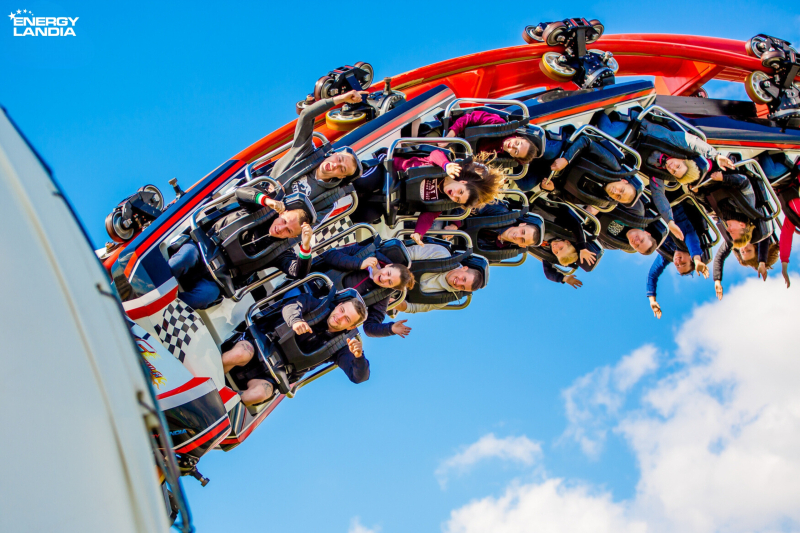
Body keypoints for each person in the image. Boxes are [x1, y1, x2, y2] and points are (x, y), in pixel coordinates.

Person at [169, 189, 314, 309]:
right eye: (284, 221)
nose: (280, 229)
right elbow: (240, 193)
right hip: (202, 249)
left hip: (218, 278)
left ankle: (168, 309)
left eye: (288, 231)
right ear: (282, 213)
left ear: (293, 236)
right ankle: (152, 288)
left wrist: (306, 246)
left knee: (203, 297)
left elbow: (298, 272)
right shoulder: (262, 211)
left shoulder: (281, 252)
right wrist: (267, 201)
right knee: (183, 259)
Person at [222, 293, 369, 405]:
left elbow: (358, 377)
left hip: (273, 374)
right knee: (239, 354)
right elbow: (292, 306)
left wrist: (358, 357)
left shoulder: (340, 347)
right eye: (342, 310)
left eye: (347, 319)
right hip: (258, 346)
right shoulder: (314, 304)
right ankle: (209, 375)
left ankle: (222, 403)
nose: (339, 317)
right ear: (339, 305)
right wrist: (295, 320)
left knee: (259, 394)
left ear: (351, 327)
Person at [351, 148, 504, 244]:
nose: (454, 195)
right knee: (364, 183)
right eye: (460, 191)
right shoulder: (447, 168)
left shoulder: (442, 202)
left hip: (393, 197)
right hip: (389, 172)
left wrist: (419, 233)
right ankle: (340, 186)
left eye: (457, 199)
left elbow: (428, 217)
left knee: (368, 214)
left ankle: (342, 210)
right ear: (462, 181)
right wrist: (446, 165)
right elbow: (435, 154)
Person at [594, 111, 735, 185]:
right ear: (683, 160)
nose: (672, 167)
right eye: (678, 166)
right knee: (609, 131)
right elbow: (693, 141)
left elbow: (659, 196)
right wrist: (715, 155)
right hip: (636, 128)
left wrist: (670, 221)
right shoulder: (675, 143)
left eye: (674, 172)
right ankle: (596, 108)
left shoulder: (660, 172)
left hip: (625, 148)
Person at [263, 90, 365, 189]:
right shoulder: (305, 151)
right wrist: (341, 98)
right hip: (263, 191)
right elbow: (306, 116)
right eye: (339, 160)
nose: (335, 165)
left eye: (342, 169)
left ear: (341, 176)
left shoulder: (327, 197)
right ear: (334, 154)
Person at [313, 241, 416, 338]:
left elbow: (369, 327)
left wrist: (390, 329)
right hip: (313, 281)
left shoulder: (381, 296)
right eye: (388, 273)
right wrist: (359, 263)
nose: (384, 278)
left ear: (391, 288)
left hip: (325, 312)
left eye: (389, 282)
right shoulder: (367, 253)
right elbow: (331, 256)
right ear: (388, 266)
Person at [645, 203, 710, 319]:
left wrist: (652, 300)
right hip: (671, 206)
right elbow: (693, 242)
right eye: (683, 263)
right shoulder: (687, 241)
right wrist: (697, 260)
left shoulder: (668, 254)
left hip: (652, 211)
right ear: (690, 258)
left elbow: (652, 275)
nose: (678, 262)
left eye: (677, 266)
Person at [394, 243, 485, 314]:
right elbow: (406, 254)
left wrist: (393, 302)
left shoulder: (442, 299)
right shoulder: (441, 254)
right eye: (463, 279)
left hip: (392, 293)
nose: (458, 283)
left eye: (462, 287)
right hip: (390, 265)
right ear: (464, 268)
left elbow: (412, 308)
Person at [445, 110, 539, 165]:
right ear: (519, 137)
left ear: (513, 156)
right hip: (450, 132)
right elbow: (470, 117)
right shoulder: (500, 124)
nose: (513, 146)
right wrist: (450, 136)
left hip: (452, 158)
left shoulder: (496, 160)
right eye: (518, 143)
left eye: (516, 151)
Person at [713, 240, 780, 300]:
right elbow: (764, 239)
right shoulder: (758, 236)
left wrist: (717, 281)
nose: (744, 248)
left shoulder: (734, 240)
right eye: (749, 250)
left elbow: (719, 257)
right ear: (755, 247)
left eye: (742, 252)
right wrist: (762, 262)